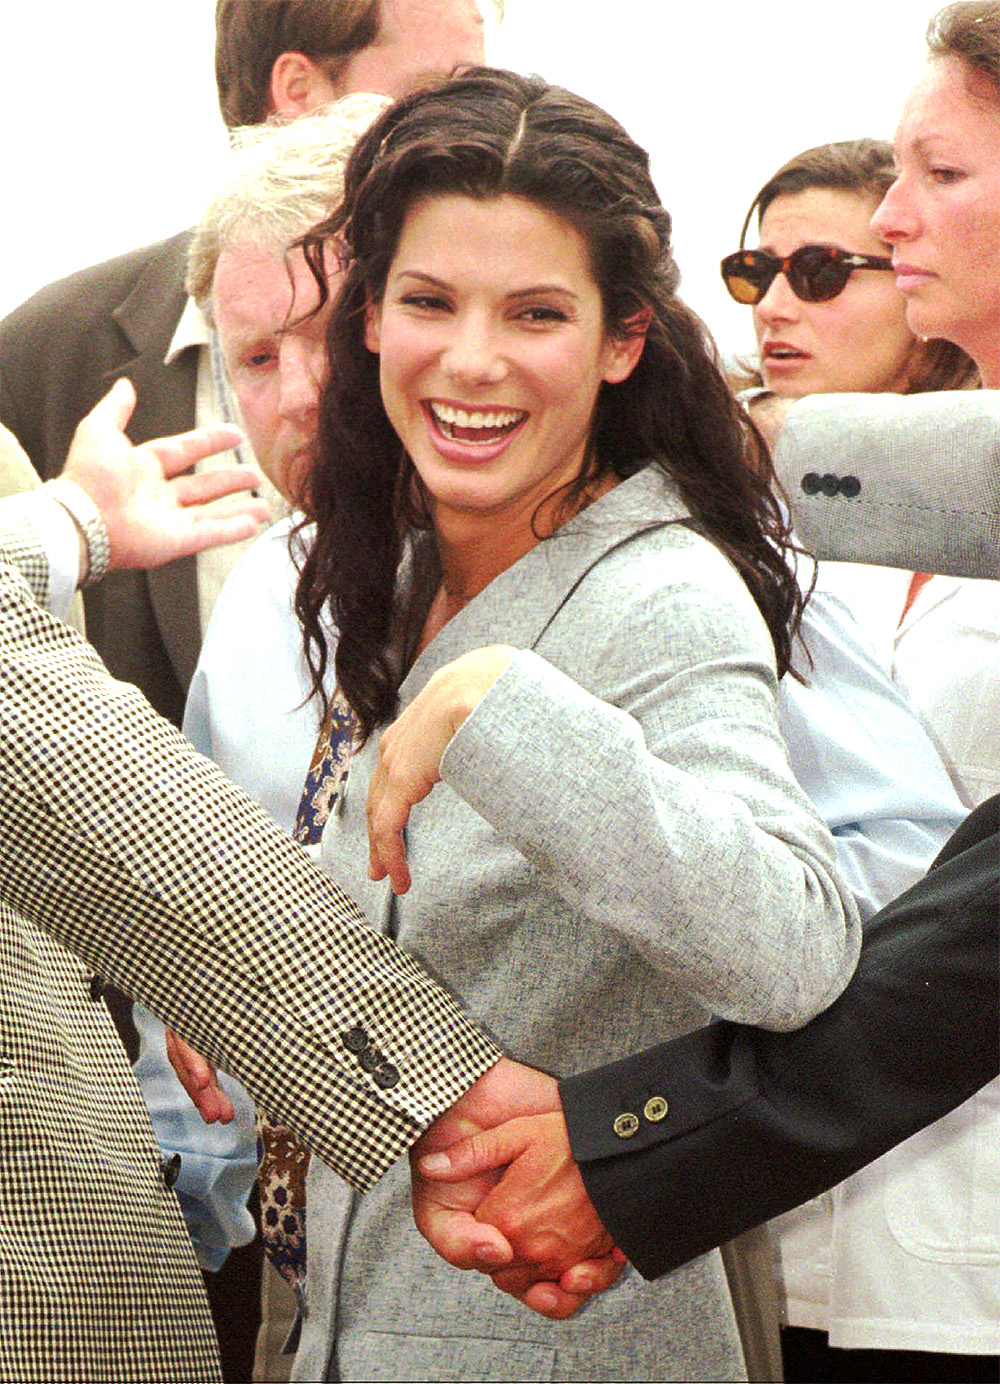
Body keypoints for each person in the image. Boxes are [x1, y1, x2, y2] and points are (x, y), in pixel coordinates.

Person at [258, 66, 863, 1382]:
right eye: (428, 302)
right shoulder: (403, 565)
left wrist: (504, 709)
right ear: (368, 320)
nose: (471, 360)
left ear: (622, 338)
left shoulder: (658, 592)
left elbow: (794, 947)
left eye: (535, 312)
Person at [413, 0, 1000, 1332]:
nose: (893, 216)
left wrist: (630, 1139)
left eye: (943, 173)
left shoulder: (673, 590)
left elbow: (937, 926)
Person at [0, 393, 566, 1382]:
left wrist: (63, 524)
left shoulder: (660, 574)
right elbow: (75, 782)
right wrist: (441, 1083)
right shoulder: (273, 583)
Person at [0, 0, 488, 727]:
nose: (478, 123)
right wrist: (75, 527)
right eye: (440, 93)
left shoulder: (567, 539)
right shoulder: (45, 351)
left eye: (337, 332)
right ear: (297, 90)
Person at [720, 113, 999, 1380]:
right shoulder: (747, 538)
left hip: (968, 1197)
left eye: (817, 272)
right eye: (753, 273)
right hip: (779, 1200)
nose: (776, 303)